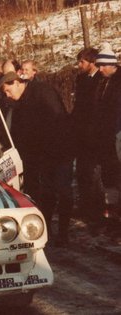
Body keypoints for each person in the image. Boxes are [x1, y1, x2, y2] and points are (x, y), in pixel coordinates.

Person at [0, 71, 74, 245]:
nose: (8, 95)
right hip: (42, 155)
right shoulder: (18, 103)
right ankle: (47, 230)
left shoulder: (42, 92)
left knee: (63, 191)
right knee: (46, 193)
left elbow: (58, 121)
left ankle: (64, 233)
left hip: (61, 151)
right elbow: (18, 132)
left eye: (8, 91)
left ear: (17, 83)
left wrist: (46, 145)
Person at [71, 47, 104, 229]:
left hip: (94, 135)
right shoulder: (81, 79)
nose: (79, 65)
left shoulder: (101, 80)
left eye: (82, 62)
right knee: (83, 172)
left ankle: (97, 211)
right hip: (81, 134)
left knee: (95, 175)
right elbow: (79, 106)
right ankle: (85, 207)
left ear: (92, 62)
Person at [95, 42, 121, 227]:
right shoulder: (103, 82)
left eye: (103, 65)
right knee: (110, 174)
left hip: (118, 133)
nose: (100, 69)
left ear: (111, 64)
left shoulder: (118, 81)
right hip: (107, 136)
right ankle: (112, 211)